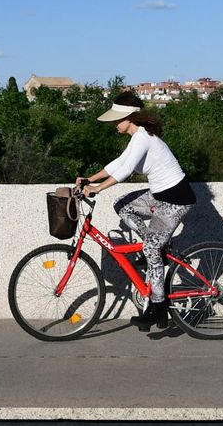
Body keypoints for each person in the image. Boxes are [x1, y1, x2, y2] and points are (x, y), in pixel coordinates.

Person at [76, 92, 196, 329]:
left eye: (116, 119)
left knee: (151, 247)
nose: (114, 124)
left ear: (129, 117)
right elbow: (118, 163)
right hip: (159, 196)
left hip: (176, 199)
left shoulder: (143, 138)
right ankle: (155, 248)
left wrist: (97, 189)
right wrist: (90, 179)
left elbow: (126, 170)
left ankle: (158, 306)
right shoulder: (137, 137)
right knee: (122, 205)